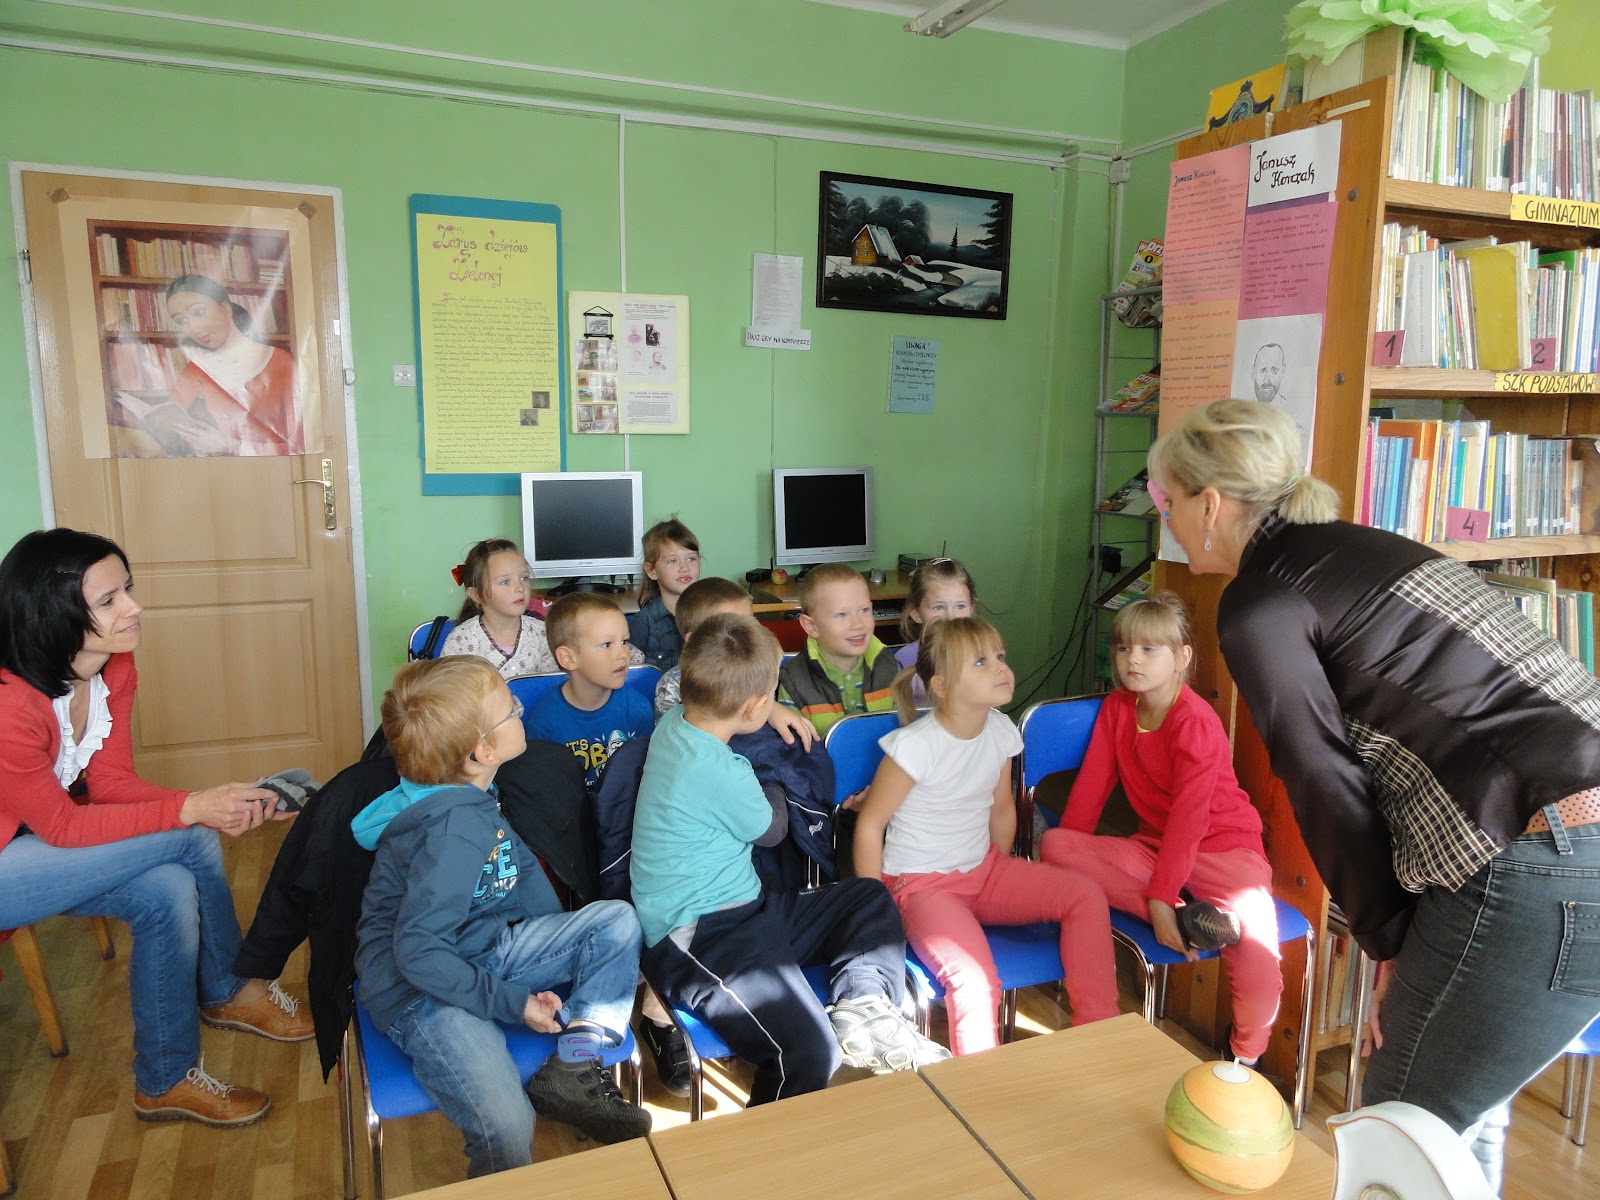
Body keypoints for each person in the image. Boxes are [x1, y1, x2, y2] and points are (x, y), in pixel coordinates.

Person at [1148, 397, 1600, 1192]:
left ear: (1210, 504)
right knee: (1461, 1114)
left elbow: (1324, 781)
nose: (1168, 520)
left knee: (1405, 1131)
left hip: (1540, 855)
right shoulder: (1366, 548)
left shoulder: (1260, 603)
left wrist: (1388, 938)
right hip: (1559, 841)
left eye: (1166, 501)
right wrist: (1404, 937)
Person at [0, 528, 311, 1128]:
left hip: (35, 847)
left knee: (168, 888)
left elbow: (111, 784)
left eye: (128, 589)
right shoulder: (10, 704)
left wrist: (222, 801)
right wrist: (195, 810)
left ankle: (164, 1079)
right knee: (190, 836)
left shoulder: (112, 666)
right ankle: (229, 989)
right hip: (16, 856)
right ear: (52, 614)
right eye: (109, 600)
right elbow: (63, 825)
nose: (134, 607)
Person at [631, 613, 948, 1104]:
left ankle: (862, 1005)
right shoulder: (722, 769)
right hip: (698, 937)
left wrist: (770, 707)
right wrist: (776, 781)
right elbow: (773, 828)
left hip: (750, 910)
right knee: (810, 1053)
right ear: (754, 705)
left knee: (865, 896)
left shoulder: (676, 724)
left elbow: (730, 702)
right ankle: (772, 1146)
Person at [353, 656, 649, 1178]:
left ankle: (575, 1061)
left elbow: (521, 872)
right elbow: (419, 953)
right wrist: (515, 1003)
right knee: (509, 1126)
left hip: (485, 947)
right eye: (510, 709)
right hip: (422, 989)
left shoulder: (474, 793)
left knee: (616, 922)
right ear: (483, 751)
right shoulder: (451, 832)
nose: (520, 709)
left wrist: (563, 945)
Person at [853, 617, 1119, 1055]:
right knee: (975, 983)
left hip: (984, 871)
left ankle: (1101, 1037)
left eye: (1000, 656)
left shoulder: (999, 728)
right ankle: (982, 1088)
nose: (1000, 667)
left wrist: (996, 873)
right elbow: (870, 825)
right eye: (980, 661)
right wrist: (873, 909)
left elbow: (1001, 808)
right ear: (941, 686)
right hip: (923, 888)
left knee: (1085, 895)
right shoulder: (913, 746)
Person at [1039, 593, 1281, 1066]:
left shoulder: (1195, 721)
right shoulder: (1117, 708)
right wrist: (1074, 871)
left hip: (1225, 852)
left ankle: (1243, 1058)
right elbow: (1089, 793)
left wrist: (1160, 894)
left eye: (1149, 649)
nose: (1133, 659)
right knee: (1055, 843)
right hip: (1154, 849)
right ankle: (1184, 917)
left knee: (1258, 958)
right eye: (1124, 648)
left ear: (1182, 657)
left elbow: (1190, 820)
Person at [440, 539, 645, 679]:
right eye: (505, 582)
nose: (519, 588)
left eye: (524, 578)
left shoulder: (543, 632)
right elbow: (452, 700)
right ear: (476, 595)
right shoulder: (461, 641)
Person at [652, 576, 815, 748]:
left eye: (751, 624)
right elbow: (669, 743)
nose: (748, 635)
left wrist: (771, 708)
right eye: (732, 629)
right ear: (694, 640)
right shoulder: (672, 684)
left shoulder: (759, 670)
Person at [526, 593, 655, 792]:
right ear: (568, 658)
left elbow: (646, 779)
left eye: (624, 641)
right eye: (607, 644)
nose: (623, 654)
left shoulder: (638, 709)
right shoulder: (544, 723)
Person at [164, 274, 302, 456]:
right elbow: (168, 432)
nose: (193, 328)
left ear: (226, 309)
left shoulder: (282, 363)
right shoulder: (195, 370)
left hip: (271, 471)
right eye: (181, 321)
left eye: (198, 312)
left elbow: (300, 447)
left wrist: (230, 446)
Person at [777, 563, 899, 737]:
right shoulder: (794, 680)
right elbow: (794, 747)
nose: (858, 624)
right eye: (841, 615)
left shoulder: (887, 665)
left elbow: (903, 730)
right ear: (811, 626)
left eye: (864, 610)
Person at [893, 557, 980, 708]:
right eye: (939, 607)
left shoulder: (983, 653)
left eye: (960, 606)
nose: (951, 617)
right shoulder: (904, 658)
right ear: (916, 613)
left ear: (971, 609)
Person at [627, 518, 702, 672]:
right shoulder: (643, 622)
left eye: (691, 558)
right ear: (651, 571)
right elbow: (632, 676)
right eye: (672, 561)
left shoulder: (710, 613)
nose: (685, 567)